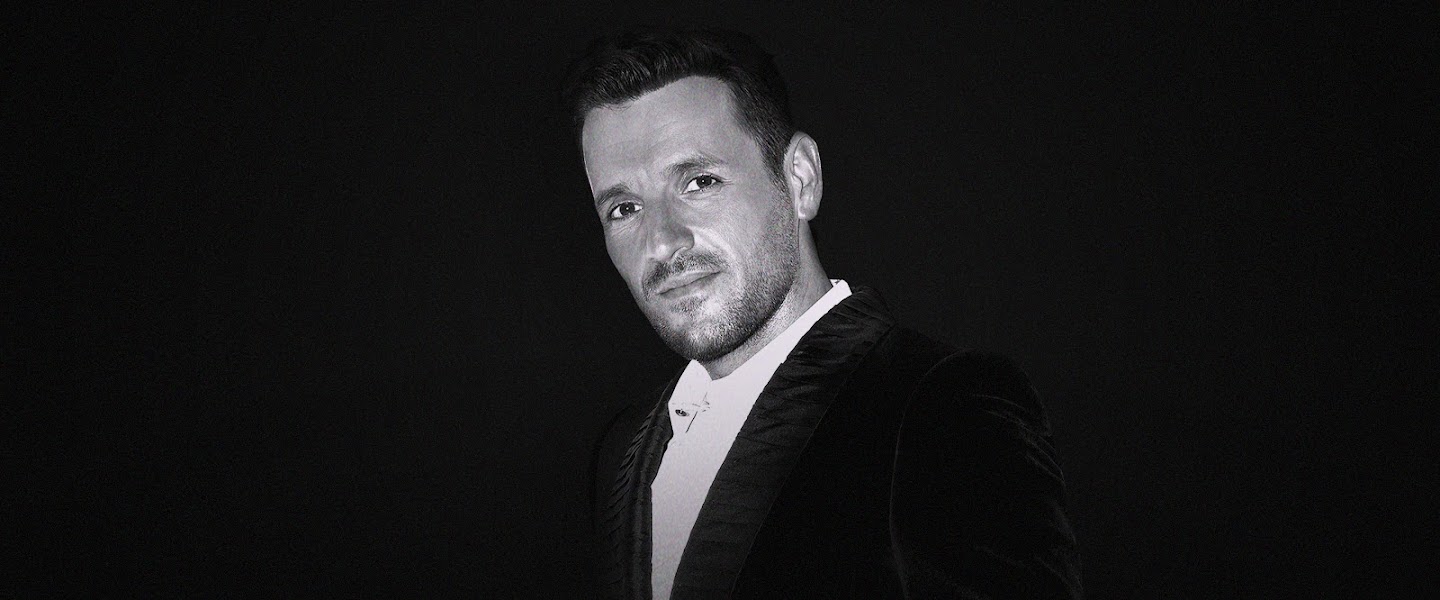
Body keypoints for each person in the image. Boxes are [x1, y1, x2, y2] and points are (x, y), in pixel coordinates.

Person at [563, 29, 1083, 599]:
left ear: (800, 180)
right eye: (624, 208)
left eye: (699, 182)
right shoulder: (622, 450)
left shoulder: (943, 409)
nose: (662, 241)